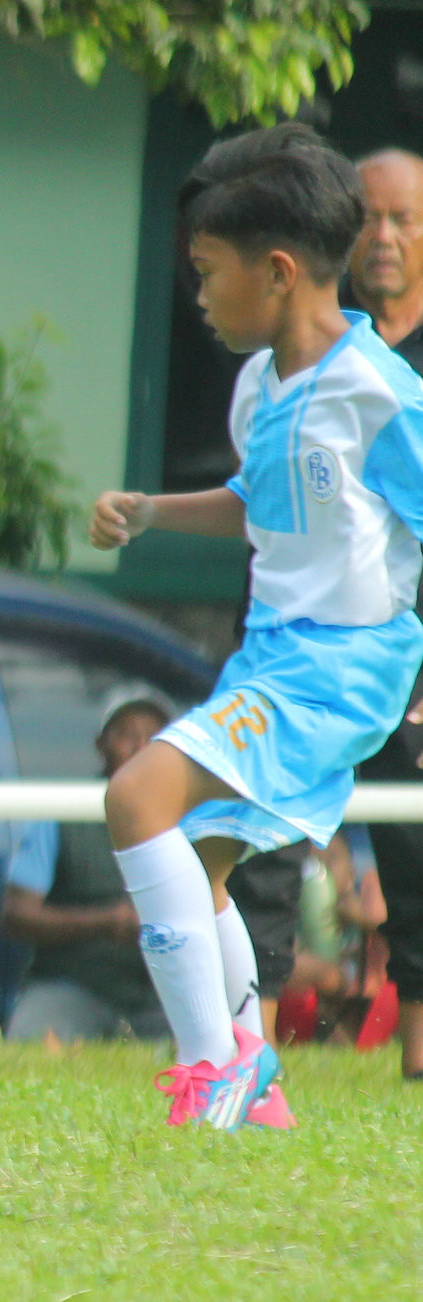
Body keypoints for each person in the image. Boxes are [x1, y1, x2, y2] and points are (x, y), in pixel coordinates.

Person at [89, 122, 423, 1129]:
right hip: (271, 655)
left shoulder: (378, 395)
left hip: (344, 665)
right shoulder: (259, 386)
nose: (196, 295)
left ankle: (213, 1069)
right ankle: (253, 1078)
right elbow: (258, 501)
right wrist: (151, 509)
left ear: (275, 272)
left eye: (205, 272)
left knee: (134, 793)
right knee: (195, 858)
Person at [345, 147, 423, 1081]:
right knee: (263, 831)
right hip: (321, 637)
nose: (386, 237)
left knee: (411, 843)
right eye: (369, 216)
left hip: (410, 645)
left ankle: (415, 1058)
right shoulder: (323, 347)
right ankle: (237, 1047)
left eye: (406, 218)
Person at [1, 699, 173, 1044]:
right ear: (101, 744)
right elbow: (15, 916)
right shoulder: (63, 814)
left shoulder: (190, 819)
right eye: (127, 735)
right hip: (71, 984)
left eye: (155, 738)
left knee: (215, 1053)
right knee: (32, 1045)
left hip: (163, 991)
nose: (141, 748)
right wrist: (105, 921)